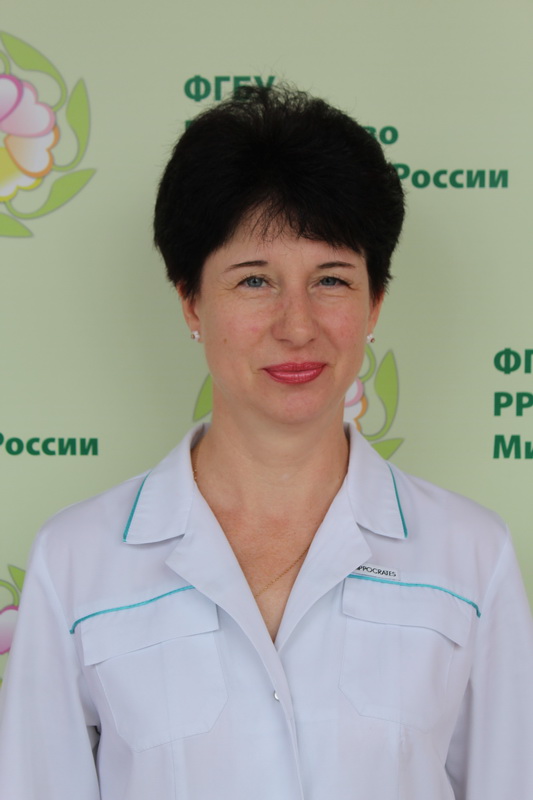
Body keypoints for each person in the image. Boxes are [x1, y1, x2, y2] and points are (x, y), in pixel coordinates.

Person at [0, 85, 532, 800]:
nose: (297, 325)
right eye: (254, 280)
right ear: (191, 300)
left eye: (331, 280)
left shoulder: (470, 556)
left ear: (374, 302)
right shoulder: (77, 562)